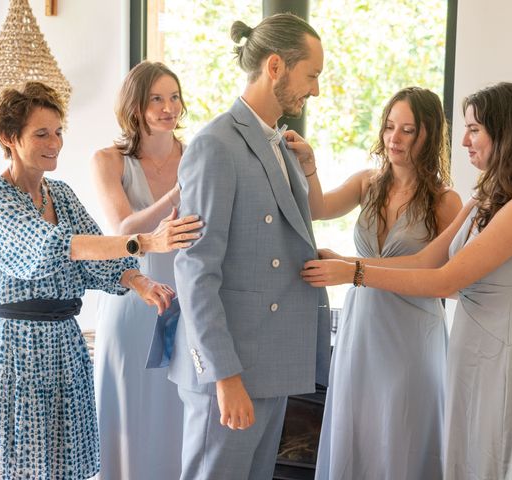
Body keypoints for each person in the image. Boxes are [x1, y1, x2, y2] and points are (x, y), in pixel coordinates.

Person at [301, 82, 512, 479]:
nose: (465, 140)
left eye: (475, 129)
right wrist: (347, 263)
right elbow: (421, 260)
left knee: (495, 459)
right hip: (468, 352)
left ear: (506, 132)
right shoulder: (483, 200)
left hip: (503, 358)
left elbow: (442, 282)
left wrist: (353, 273)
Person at [0, 81, 202, 479]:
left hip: (63, 346)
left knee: (63, 465)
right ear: (8, 138)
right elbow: (51, 247)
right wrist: (145, 242)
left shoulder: (61, 195)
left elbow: (96, 257)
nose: (54, 142)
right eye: (41, 133)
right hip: (13, 349)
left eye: (58, 132)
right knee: (11, 466)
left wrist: (138, 281)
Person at [167, 12, 331, 480]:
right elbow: (197, 269)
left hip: (272, 362)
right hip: (232, 370)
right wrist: (225, 375)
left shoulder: (280, 145)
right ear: (275, 66)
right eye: (311, 75)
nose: (315, 89)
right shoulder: (215, 145)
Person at [286, 86, 462, 479]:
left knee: (403, 435)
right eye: (389, 127)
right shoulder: (368, 182)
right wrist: (310, 164)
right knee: (358, 434)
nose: (393, 139)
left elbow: (448, 281)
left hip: (412, 337)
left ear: (429, 134)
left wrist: (351, 268)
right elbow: (317, 208)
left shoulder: (444, 201)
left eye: (407, 130)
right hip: (361, 330)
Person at [91, 61, 187, 479]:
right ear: (135, 107)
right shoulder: (108, 160)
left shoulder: (197, 154)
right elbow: (123, 230)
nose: (169, 107)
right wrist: (176, 196)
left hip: (185, 301)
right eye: (157, 99)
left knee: (181, 416)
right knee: (129, 415)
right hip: (131, 301)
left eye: (175, 97)